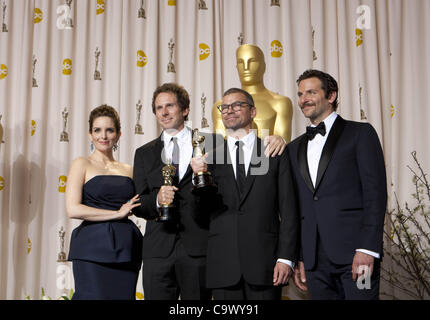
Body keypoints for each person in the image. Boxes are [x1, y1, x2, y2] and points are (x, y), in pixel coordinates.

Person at [287, 69, 387, 300]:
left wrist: (367, 248)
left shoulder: (360, 133)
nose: (304, 99)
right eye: (301, 94)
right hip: (314, 262)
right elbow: (297, 206)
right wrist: (300, 256)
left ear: (331, 96)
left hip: (357, 255)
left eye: (311, 92)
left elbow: (375, 194)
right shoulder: (294, 148)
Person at [192, 88, 299, 300]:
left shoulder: (273, 152)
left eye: (237, 105)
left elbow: (289, 210)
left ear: (253, 112)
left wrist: (285, 258)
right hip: (223, 266)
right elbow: (201, 214)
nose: (229, 110)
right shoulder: (208, 159)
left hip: (266, 265)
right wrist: (199, 180)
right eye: (225, 107)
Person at [133, 83, 215, 300]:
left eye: (170, 106)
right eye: (159, 108)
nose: (164, 112)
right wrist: (158, 200)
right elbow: (139, 203)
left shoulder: (212, 144)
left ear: (185, 109)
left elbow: (224, 194)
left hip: (198, 247)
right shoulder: (143, 153)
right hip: (158, 250)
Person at [66, 104, 143, 300]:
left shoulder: (129, 169)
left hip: (126, 247)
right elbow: (73, 209)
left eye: (110, 130)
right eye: (97, 130)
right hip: (91, 248)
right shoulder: (81, 164)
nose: (104, 136)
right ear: (90, 134)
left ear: (119, 134)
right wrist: (117, 213)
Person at [212, 44, 293, 155]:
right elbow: (219, 148)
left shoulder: (280, 103)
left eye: (252, 61)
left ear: (263, 66)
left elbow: (280, 148)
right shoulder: (222, 106)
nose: (246, 67)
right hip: (232, 167)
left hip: (268, 166)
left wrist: (279, 139)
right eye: (241, 62)